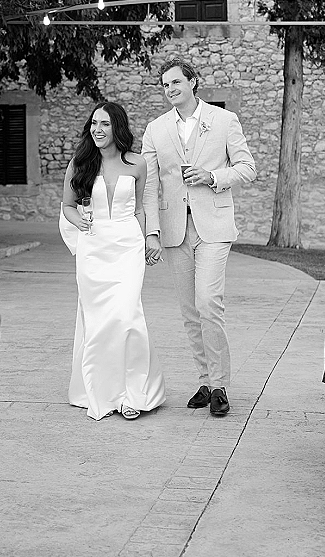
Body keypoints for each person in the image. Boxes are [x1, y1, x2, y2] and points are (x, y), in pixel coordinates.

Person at [142, 57, 256, 417]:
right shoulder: (155, 129)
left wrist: (213, 177)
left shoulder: (223, 121)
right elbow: (149, 186)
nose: (170, 89)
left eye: (176, 82)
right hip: (175, 229)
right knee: (190, 311)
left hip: (214, 226)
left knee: (209, 302)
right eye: (165, 85)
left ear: (193, 82)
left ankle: (220, 384)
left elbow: (248, 168)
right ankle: (205, 381)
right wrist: (152, 233)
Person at [60, 101, 166, 421]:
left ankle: (132, 393)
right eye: (94, 123)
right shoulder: (80, 163)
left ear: (117, 127)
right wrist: (77, 221)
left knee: (126, 315)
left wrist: (151, 237)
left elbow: (140, 208)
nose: (97, 130)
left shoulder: (138, 164)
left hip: (127, 247)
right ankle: (101, 390)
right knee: (98, 321)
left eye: (104, 124)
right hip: (93, 250)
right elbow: (67, 205)